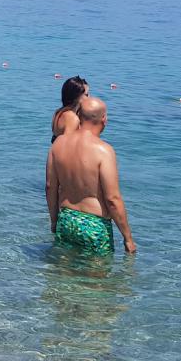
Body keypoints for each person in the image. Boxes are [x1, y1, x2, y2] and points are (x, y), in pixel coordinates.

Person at [46, 97, 136, 253]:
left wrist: (54, 221)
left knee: (64, 274)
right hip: (94, 225)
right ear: (104, 119)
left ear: (78, 116)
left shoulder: (58, 144)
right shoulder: (104, 151)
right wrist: (128, 238)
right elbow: (112, 199)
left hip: (66, 219)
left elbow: (50, 187)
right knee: (98, 276)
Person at [50, 76, 89, 143]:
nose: (89, 98)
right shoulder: (71, 118)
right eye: (86, 95)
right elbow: (67, 146)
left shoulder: (58, 112)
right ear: (77, 96)